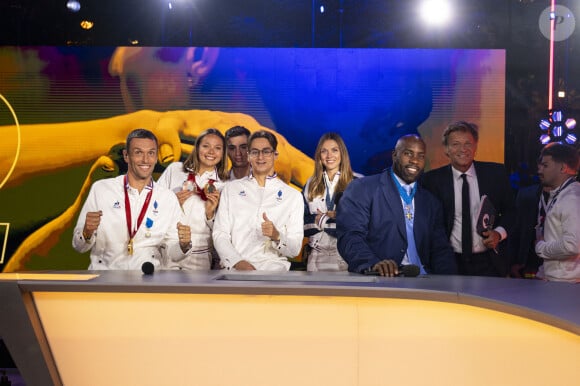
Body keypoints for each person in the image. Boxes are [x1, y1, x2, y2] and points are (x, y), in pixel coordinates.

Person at [336, 134, 457, 276]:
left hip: (425, 282)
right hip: (383, 280)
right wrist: (373, 264)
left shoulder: (430, 202)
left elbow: (440, 250)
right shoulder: (363, 188)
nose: (414, 161)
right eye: (408, 154)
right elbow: (350, 237)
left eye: (421, 156)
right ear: (394, 155)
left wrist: (451, 282)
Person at [72, 129, 190, 270]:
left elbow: (173, 254)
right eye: (138, 153)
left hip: (148, 280)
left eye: (151, 153)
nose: (145, 160)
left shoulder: (167, 197)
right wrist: (87, 232)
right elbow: (79, 247)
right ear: (126, 156)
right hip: (105, 280)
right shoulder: (102, 189)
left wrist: (183, 245)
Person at [422, 121, 515, 277]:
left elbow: (512, 212)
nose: (463, 149)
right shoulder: (431, 181)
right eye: (456, 144)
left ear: (475, 146)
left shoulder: (495, 174)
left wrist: (498, 234)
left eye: (468, 144)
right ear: (446, 149)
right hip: (448, 262)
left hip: (489, 262)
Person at [213, 130, 304, 271]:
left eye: (266, 151)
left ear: (275, 155)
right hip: (236, 271)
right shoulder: (231, 189)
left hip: (274, 273)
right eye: (255, 152)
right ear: (248, 156)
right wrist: (237, 262)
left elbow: (295, 249)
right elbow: (220, 234)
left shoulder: (293, 196)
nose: (260, 157)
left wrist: (277, 236)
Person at [157, 128, 228, 270]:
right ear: (197, 148)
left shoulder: (224, 187)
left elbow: (223, 232)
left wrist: (210, 214)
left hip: (198, 259)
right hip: (166, 253)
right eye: (206, 146)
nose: (211, 152)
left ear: (223, 153)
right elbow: (152, 206)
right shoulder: (175, 170)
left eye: (217, 148)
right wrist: (172, 202)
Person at [303, 133, 354, 271]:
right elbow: (301, 223)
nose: (329, 155)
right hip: (315, 256)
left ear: (342, 153)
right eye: (324, 151)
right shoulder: (310, 183)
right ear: (319, 155)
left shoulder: (355, 184)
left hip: (346, 256)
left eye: (334, 150)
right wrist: (334, 218)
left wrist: (322, 220)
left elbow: (354, 227)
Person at [534, 143, 580, 282]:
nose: (539, 170)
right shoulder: (563, 194)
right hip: (560, 281)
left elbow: (572, 245)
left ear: (563, 168)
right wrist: (542, 273)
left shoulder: (571, 198)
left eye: (545, 165)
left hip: (567, 283)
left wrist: (541, 247)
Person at [509, 183, 546, 278]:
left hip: (562, 271)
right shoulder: (526, 195)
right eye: (541, 166)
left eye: (545, 166)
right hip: (528, 267)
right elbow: (515, 230)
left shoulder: (573, 196)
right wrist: (512, 264)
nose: (540, 169)